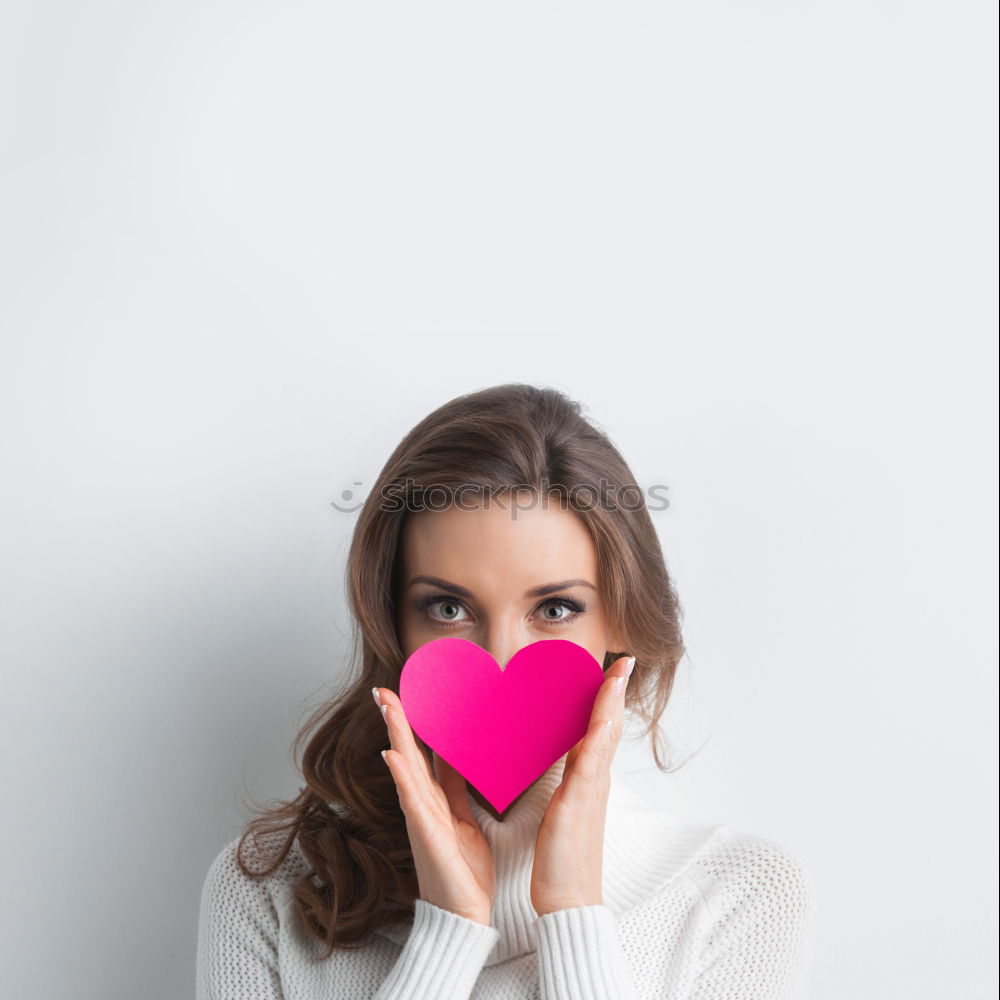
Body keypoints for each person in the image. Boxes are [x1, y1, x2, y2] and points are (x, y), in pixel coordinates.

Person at [196, 383, 817, 999]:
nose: (498, 660)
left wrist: (572, 911)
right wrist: (446, 937)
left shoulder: (739, 897)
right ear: (392, 623)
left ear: (622, 624)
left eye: (554, 608)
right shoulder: (268, 888)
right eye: (447, 607)